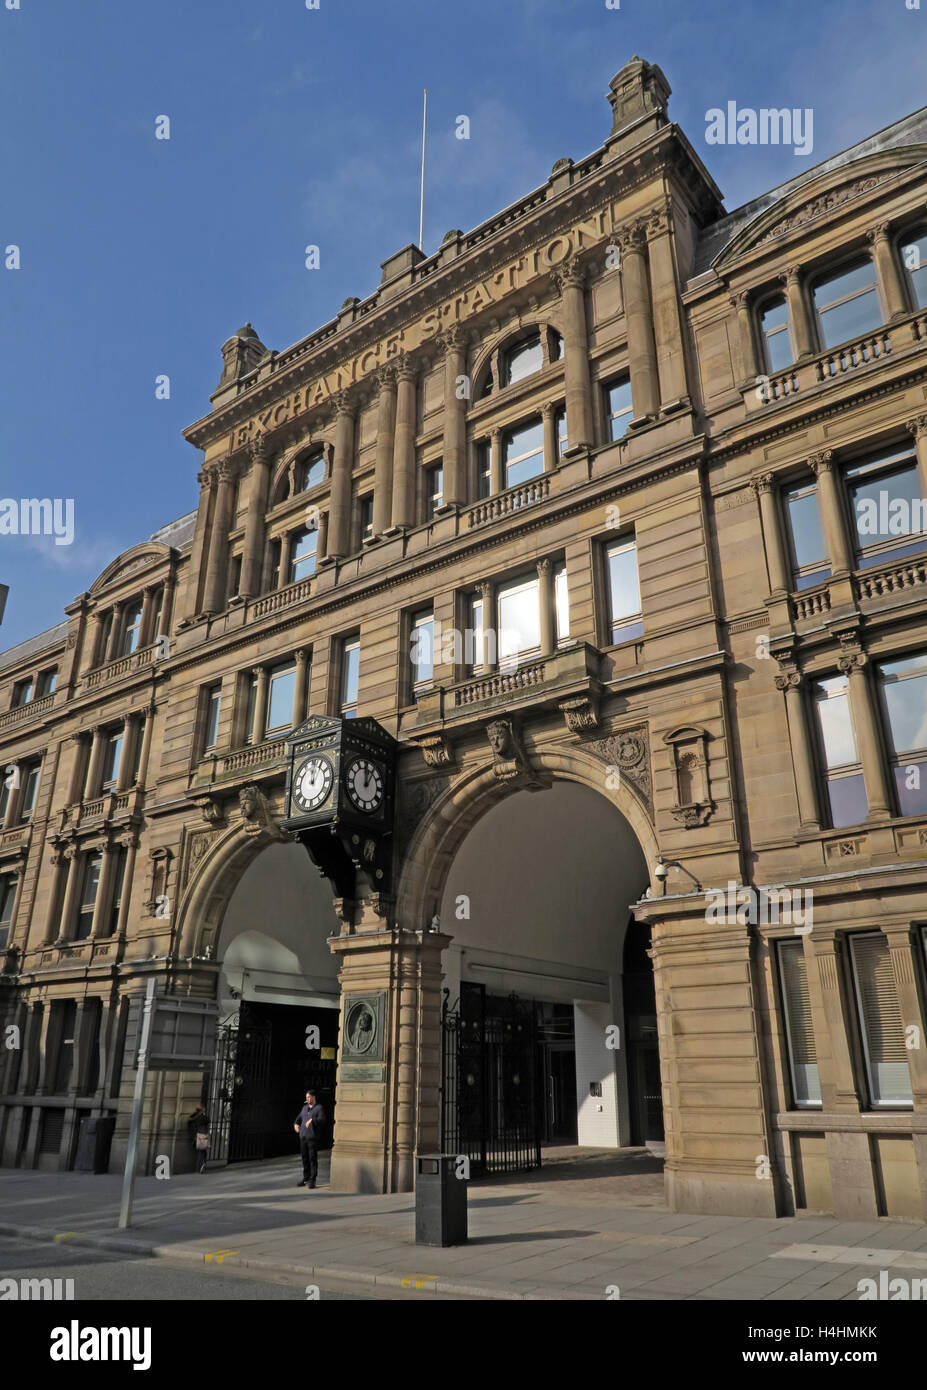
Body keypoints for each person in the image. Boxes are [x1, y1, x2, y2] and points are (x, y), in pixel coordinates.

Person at [293, 1089, 325, 1189]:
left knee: (312, 1159)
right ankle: (306, 1178)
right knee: (305, 1159)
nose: (307, 1099)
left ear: (314, 1097)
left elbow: (322, 1120)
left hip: (312, 1138)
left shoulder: (319, 1108)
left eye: (309, 1097)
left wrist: (312, 1120)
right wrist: (296, 1125)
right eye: (306, 1097)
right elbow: (298, 1119)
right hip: (303, 1137)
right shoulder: (304, 1108)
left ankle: (312, 1180)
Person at [187, 1105, 209, 1174]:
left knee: (200, 1151)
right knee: (202, 1152)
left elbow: (190, 1120)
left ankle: (200, 1167)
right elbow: (208, 1120)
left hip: (196, 1136)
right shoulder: (202, 1118)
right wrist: (203, 1113)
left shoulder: (194, 1119)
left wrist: (195, 1113)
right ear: (201, 1111)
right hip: (202, 1135)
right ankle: (201, 1166)